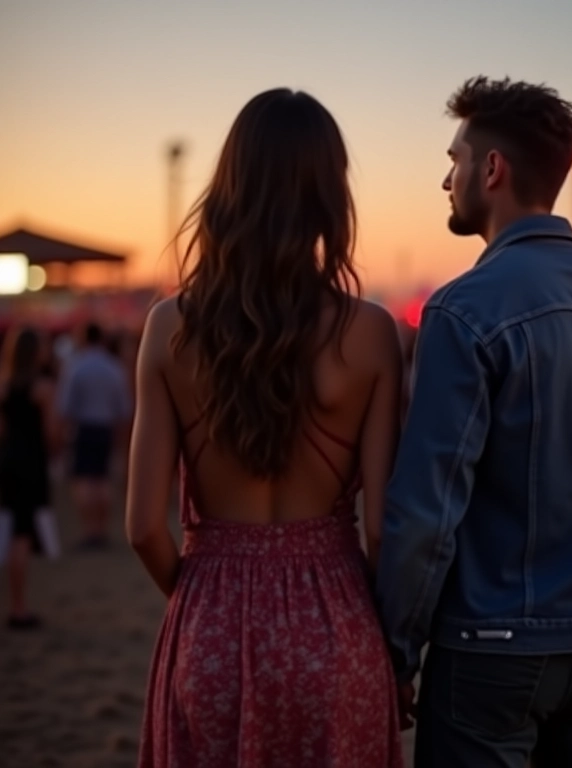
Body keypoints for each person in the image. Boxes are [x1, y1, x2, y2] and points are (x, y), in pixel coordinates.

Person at [376, 77, 572, 768]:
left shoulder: (462, 311)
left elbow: (429, 504)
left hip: (490, 653)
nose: (444, 178)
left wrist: (397, 647)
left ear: (492, 169)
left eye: (454, 159)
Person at [126, 89, 403, 767]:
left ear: (230, 183)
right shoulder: (369, 333)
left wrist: (207, 595)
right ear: (330, 195)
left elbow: (142, 528)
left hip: (210, 628)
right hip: (338, 628)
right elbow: (383, 528)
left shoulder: (169, 327)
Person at [0, 327, 57, 629]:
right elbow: (51, 434)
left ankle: (16, 603)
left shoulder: (5, 386)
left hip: (8, 461)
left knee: (13, 530)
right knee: (23, 534)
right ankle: (19, 607)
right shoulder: (42, 387)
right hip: (31, 463)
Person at [57, 321, 132, 548]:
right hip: (106, 428)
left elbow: (65, 405)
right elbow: (123, 406)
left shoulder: (75, 366)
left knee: (84, 481)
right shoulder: (114, 367)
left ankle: (90, 530)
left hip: (84, 428)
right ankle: (101, 529)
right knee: (103, 480)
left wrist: (62, 435)